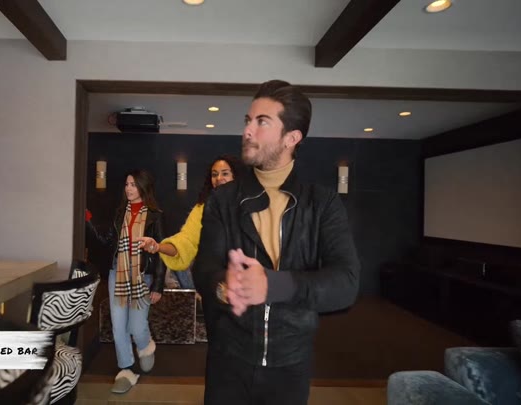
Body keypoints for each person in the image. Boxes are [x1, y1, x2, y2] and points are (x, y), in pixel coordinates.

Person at [192, 80, 361, 404]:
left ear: (291, 138)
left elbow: (346, 284)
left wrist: (274, 285)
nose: (247, 130)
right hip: (228, 362)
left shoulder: (322, 203)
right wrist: (225, 286)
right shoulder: (222, 200)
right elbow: (204, 269)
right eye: (248, 120)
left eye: (262, 122)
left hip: (291, 366)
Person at [86, 169, 166, 394]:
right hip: (118, 273)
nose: (129, 188)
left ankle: (145, 345)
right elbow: (106, 242)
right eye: (127, 184)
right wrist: (87, 224)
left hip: (143, 275)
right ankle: (126, 368)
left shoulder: (155, 215)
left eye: (133, 184)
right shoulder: (120, 213)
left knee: (136, 327)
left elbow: (161, 251)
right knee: (118, 325)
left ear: (143, 186)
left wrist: (158, 284)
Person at [134, 155, 242, 289]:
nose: (219, 178)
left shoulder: (249, 206)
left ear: (236, 177)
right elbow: (185, 243)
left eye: (225, 173)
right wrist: (158, 247)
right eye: (214, 174)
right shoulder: (202, 209)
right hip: (213, 285)